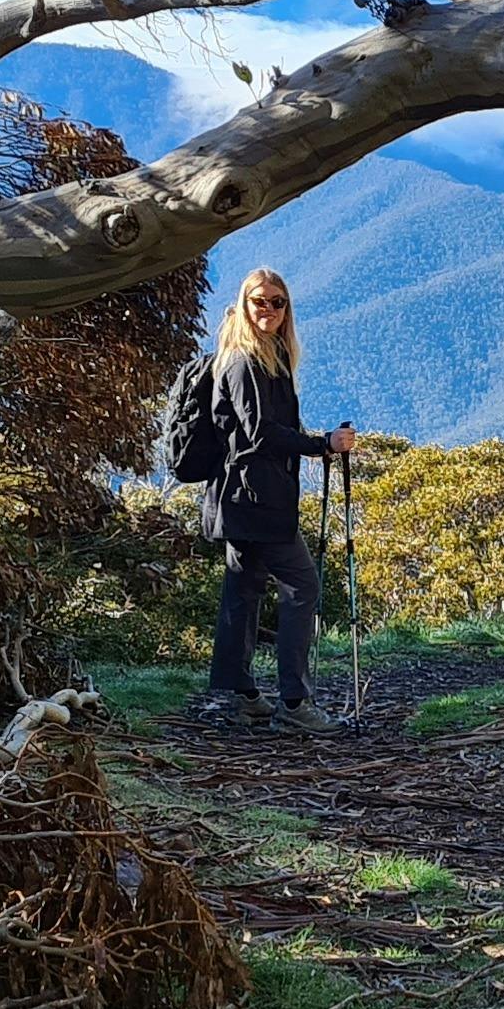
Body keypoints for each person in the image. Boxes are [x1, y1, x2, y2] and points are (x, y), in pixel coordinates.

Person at [195, 269, 354, 734]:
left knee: (243, 593)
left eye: (278, 302)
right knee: (302, 585)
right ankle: (294, 703)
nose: (269, 310)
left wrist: (316, 444)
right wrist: (322, 444)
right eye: (260, 301)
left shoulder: (270, 355)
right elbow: (259, 433)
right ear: (244, 305)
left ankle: (242, 694)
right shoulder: (245, 362)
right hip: (254, 500)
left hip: (239, 499)